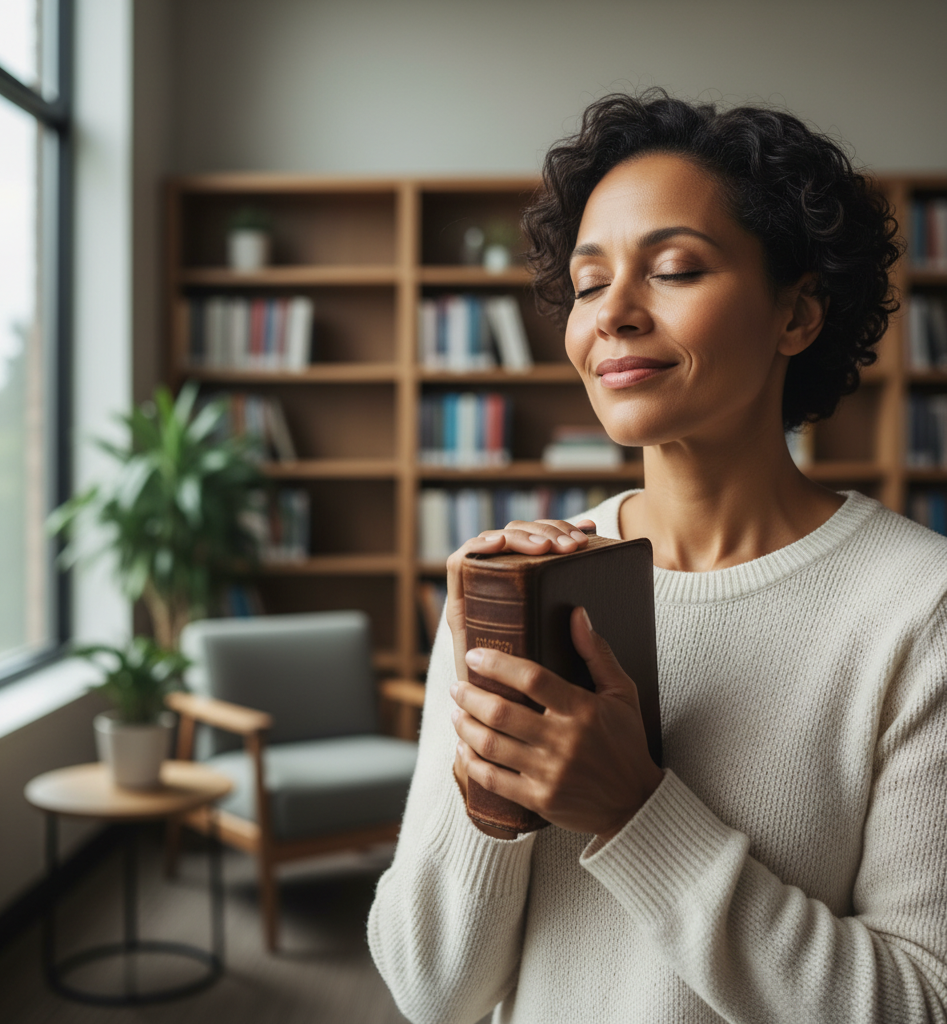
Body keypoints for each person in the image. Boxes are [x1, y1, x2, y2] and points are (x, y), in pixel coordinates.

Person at [368, 91, 947, 1024]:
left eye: (675, 269)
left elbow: (921, 1004)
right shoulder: (514, 590)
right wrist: (490, 797)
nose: (615, 315)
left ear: (797, 314)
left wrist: (636, 812)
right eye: (590, 283)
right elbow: (432, 993)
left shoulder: (919, 608)